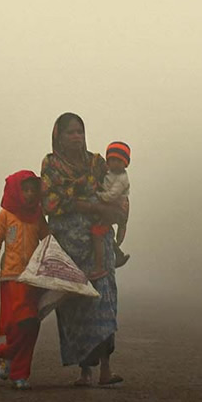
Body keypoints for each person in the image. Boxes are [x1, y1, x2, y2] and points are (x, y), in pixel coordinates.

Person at [41, 112, 125, 386]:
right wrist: (92, 206)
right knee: (75, 306)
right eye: (70, 132)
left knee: (104, 301)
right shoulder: (51, 165)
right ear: (59, 137)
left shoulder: (97, 163)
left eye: (80, 131)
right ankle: (84, 371)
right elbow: (50, 203)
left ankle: (106, 369)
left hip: (98, 243)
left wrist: (113, 209)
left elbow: (116, 188)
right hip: (69, 248)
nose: (76, 136)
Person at [0, 170, 49, 390]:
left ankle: (18, 370)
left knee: (30, 324)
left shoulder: (38, 216)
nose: (30, 195)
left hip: (31, 280)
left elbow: (48, 242)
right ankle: (7, 355)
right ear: (15, 191)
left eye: (33, 190)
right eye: (25, 190)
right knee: (15, 326)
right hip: (10, 278)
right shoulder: (5, 214)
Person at [90, 141, 131, 278]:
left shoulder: (121, 179)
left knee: (97, 234)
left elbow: (111, 195)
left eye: (119, 161)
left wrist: (98, 196)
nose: (115, 163)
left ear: (125, 163)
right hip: (111, 207)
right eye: (112, 160)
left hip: (115, 207)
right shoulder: (110, 173)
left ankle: (99, 267)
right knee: (106, 233)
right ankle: (118, 254)